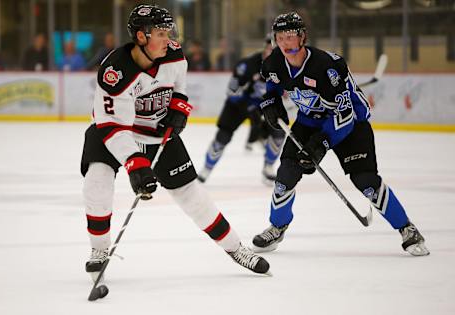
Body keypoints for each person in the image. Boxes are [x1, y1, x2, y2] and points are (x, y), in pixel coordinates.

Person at [80, 4, 270, 282]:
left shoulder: (173, 54)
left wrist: (179, 108)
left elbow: (178, 86)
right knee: (97, 180)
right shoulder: (115, 72)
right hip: (114, 132)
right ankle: (99, 250)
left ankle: (236, 248)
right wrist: (136, 165)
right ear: (141, 37)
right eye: (160, 33)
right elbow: (113, 127)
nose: (168, 39)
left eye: (169, 31)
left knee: (191, 194)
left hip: (157, 132)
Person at [251, 12, 429, 257]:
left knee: (366, 182)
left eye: (290, 36)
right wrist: (270, 104)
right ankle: (277, 226)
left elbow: (345, 115)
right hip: (309, 121)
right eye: (280, 37)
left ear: (302, 37)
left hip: (351, 123)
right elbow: (272, 87)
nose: (284, 43)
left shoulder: (327, 66)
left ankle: (407, 229)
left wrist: (320, 144)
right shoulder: (273, 63)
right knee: (285, 175)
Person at [198, 37, 284, 184]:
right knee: (223, 136)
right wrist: (249, 109)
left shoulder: (283, 67)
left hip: (263, 104)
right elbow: (231, 91)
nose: (274, 53)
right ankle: (206, 169)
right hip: (238, 105)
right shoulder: (247, 65)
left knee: (279, 132)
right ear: (265, 48)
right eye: (271, 49)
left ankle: (268, 167)